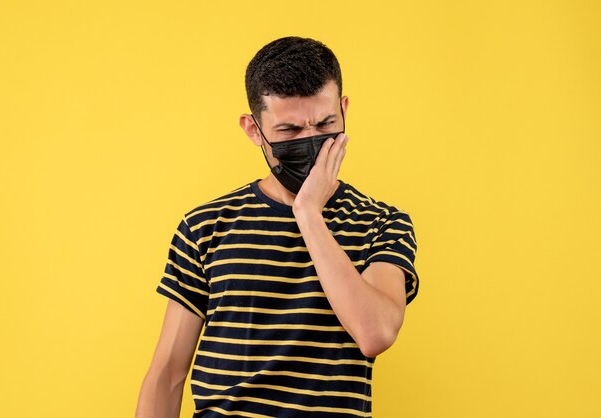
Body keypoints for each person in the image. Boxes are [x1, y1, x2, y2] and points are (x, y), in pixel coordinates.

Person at [136, 36, 420, 418]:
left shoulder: (381, 223)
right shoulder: (205, 226)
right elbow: (168, 374)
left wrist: (308, 214)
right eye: (288, 131)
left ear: (345, 110)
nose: (311, 142)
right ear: (254, 130)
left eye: (325, 123)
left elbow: (376, 334)